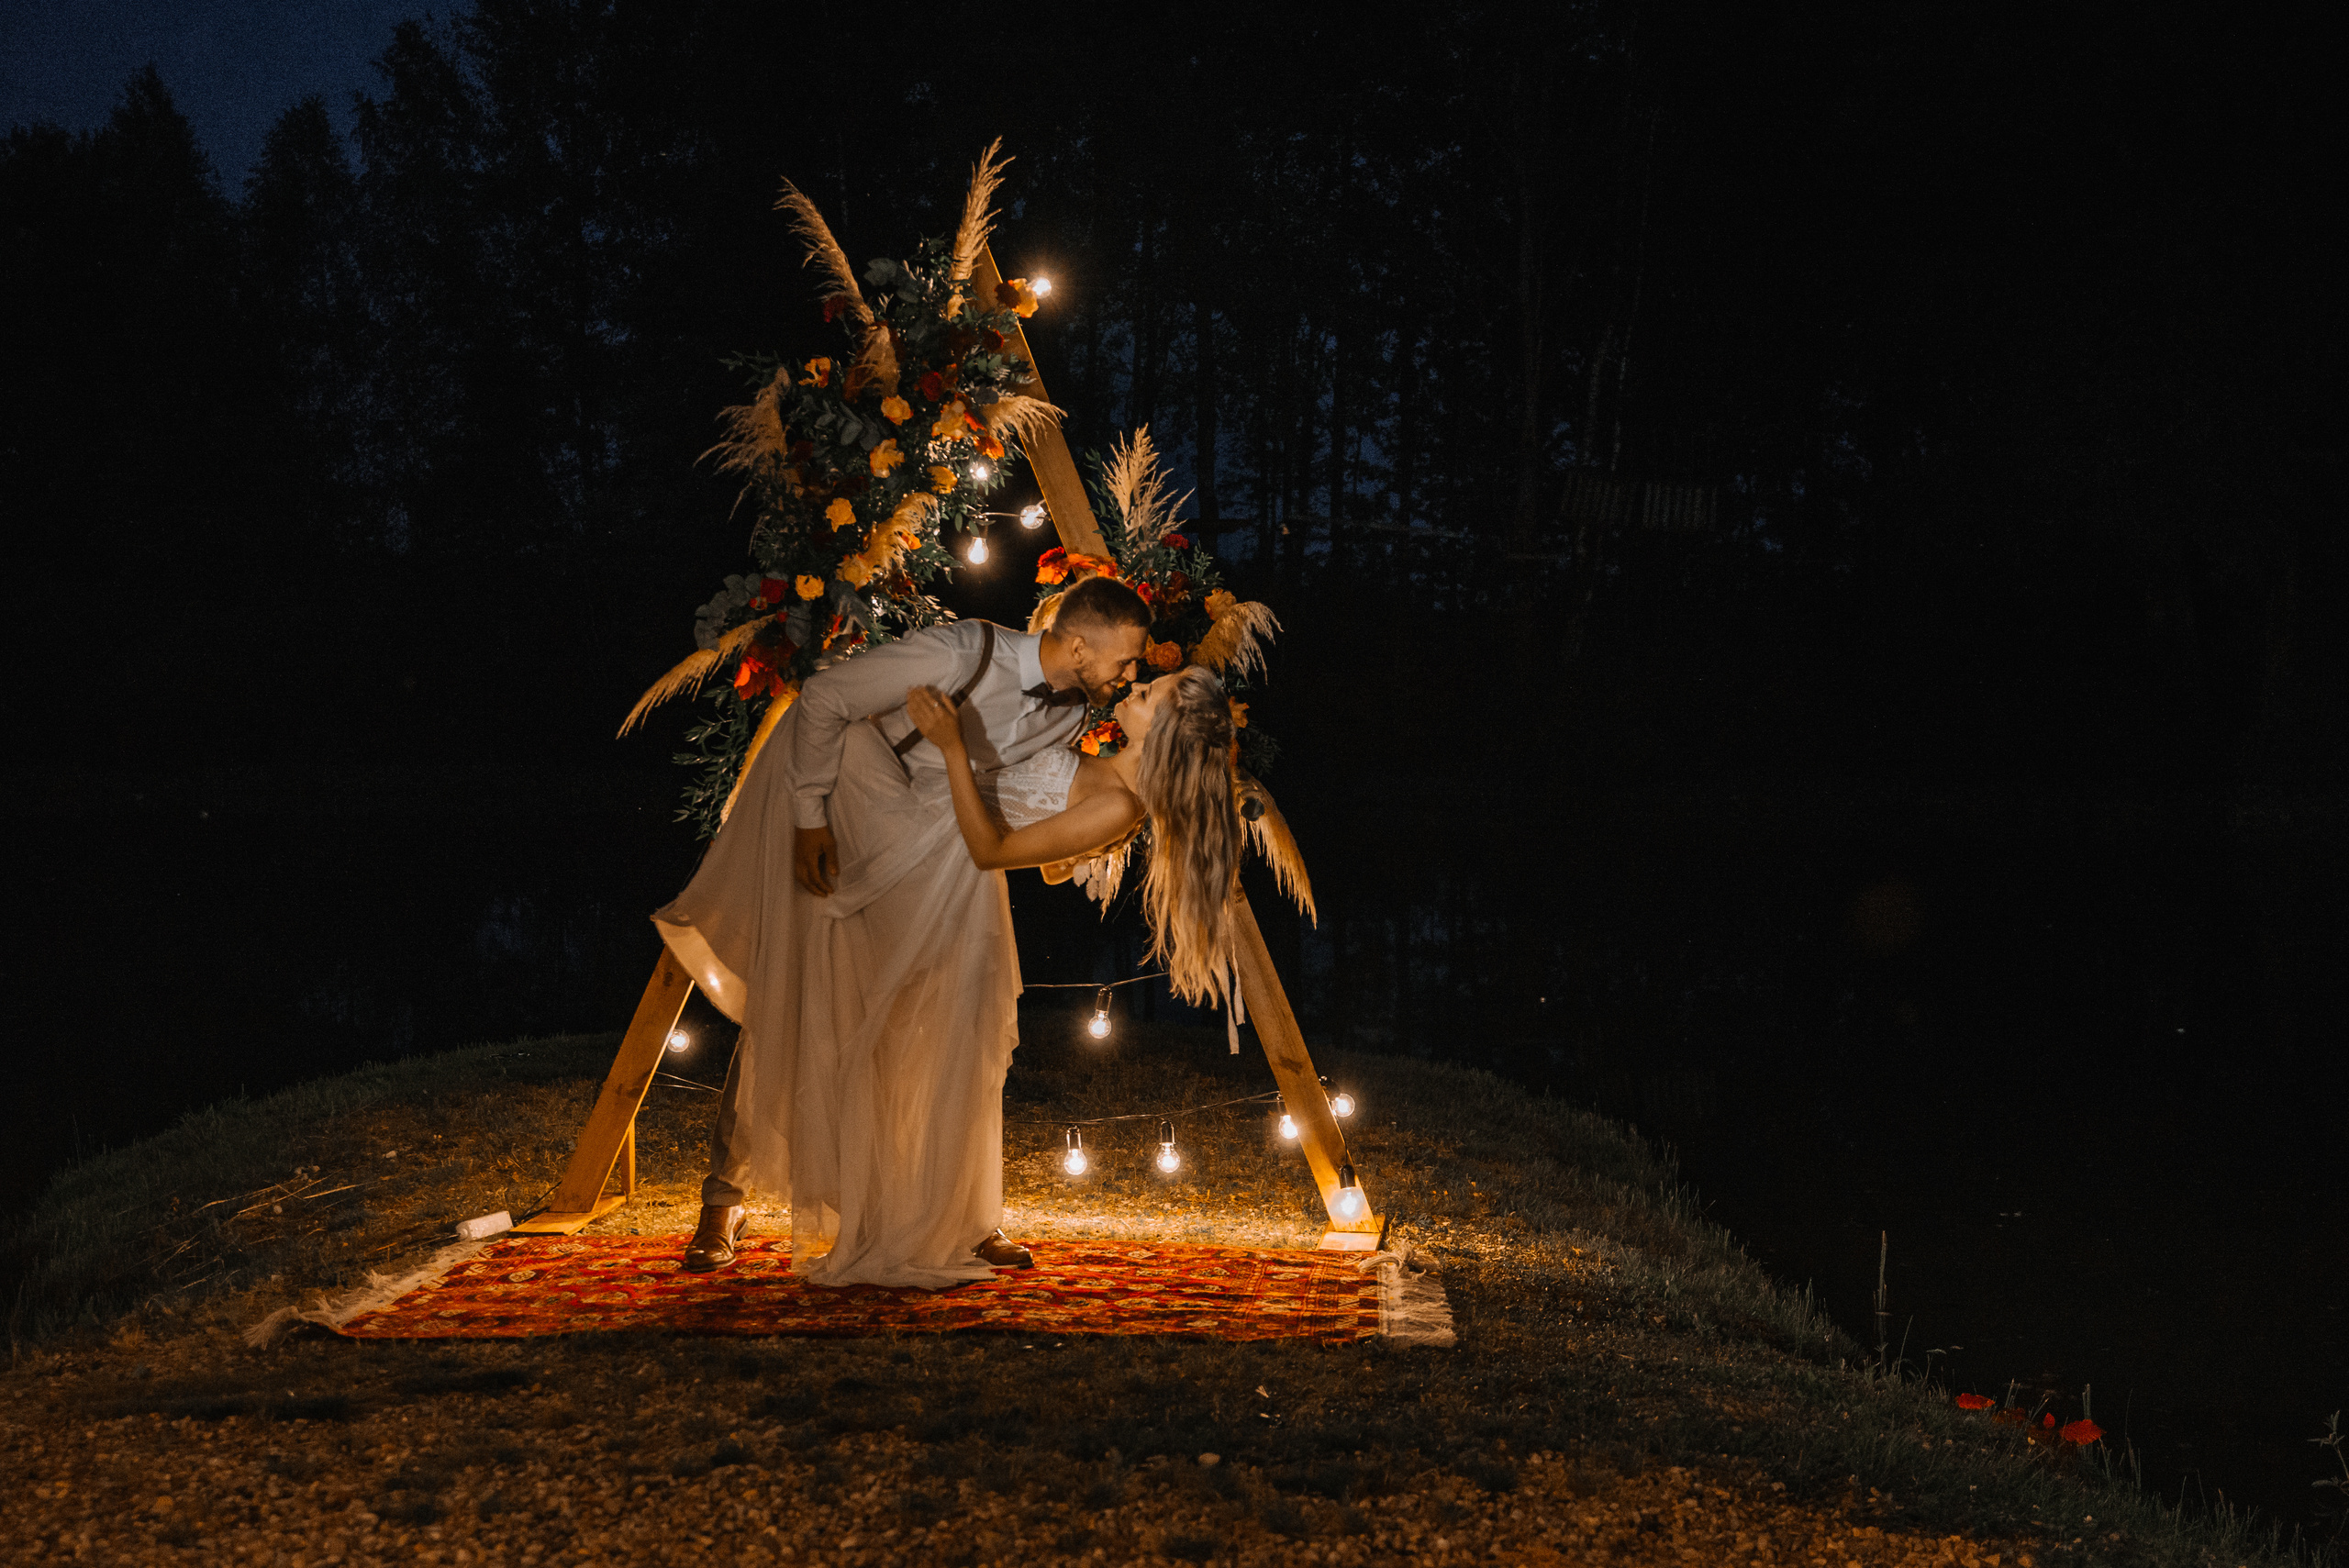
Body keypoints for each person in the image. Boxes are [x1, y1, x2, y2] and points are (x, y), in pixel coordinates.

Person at [651, 576, 1158, 1285]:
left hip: (924, 838)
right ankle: (723, 1198)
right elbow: (824, 700)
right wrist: (809, 819)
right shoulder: (962, 652)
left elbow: (1005, 793)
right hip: (844, 805)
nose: (1132, 673)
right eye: (1127, 660)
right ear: (1078, 644)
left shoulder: (1071, 714)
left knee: (943, 1015)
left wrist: (1084, 832)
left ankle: (951, 1214)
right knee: (805, 990)